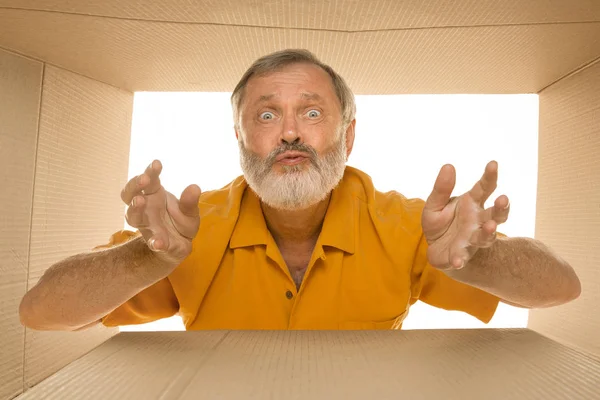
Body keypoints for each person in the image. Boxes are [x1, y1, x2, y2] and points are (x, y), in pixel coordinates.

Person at [19, 49, 581, 332]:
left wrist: (484, 257)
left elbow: (562, 288)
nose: (290, 131)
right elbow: (40, 312)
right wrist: (145, 256)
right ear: (240, 137)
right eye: (267, 115)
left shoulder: (410, 229)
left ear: (348, 135)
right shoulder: (186, 233)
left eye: (312, 112)